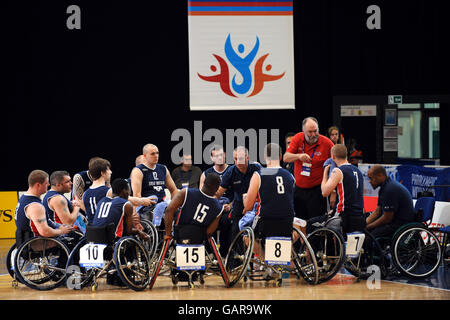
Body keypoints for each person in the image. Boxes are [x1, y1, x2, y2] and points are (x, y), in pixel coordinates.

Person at [243, 143, 295, 261]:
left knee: (247, 237)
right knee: (294, 231)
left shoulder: (259, 174)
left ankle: (264, 260)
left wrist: (247, 199)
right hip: (286, 221)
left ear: (265, 157)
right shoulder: (290, 176)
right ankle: (285, 259)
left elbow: (249, 205)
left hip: (266, 220)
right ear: (281, 157)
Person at [283, 117, 334, 220]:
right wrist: (298, 156)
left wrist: (333, 191)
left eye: (315, 131)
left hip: (317, 190)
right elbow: (285, 158)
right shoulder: (298, 138)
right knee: (298, 222)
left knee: (316, 223)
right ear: (304, 131)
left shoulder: (327, 143)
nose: (313, 135)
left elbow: (336, 166)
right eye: (310, 132)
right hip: (299, 189)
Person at [307, 144, 366, 234]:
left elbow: (324, 192)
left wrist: (325, 173)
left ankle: (316, 248)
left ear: (333, 156)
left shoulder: (338, 171)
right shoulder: (358, 170)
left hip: (344, 216)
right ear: (346, 155)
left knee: (311, 223)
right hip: (359, 216)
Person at [15, 170, 72, 246]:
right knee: (73, 241)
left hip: (27, 240)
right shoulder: (35, 206)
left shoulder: (24, 198)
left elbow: (48, 222)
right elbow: (45, 232)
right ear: (38, 185)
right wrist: (61, 231)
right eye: (46, 183)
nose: (48, 184)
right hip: (37, 243)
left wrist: (60, 226)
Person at [215, 146, 262, 240]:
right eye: (235, 159)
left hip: (255, 206)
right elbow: (219, 192)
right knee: (235, 233)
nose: (237, 162)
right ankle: (235, 254)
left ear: (247, 158)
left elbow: (265, 188)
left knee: (257, 232)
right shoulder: (230, 171)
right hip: (239, 206)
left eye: (240, 159)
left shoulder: (256, 168)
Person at [163, 173, 224, 243]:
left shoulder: (186, 192)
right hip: (200, 238)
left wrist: (168, 234)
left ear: (204, 182)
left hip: (180, 233)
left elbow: (169, 210)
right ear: (217, 188)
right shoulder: (219, 207)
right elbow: (209, 232)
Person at [199, 145, 234, 256]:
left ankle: (225, 255)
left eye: (221, 155)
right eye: (216, 156)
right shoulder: (206, 174)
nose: (219, 158)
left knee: (225, 221)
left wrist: (230, 205)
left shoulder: (233, 170)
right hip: (212, 207)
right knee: (207, 220)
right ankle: (211, 254)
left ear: (225, 156)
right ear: (212, 158)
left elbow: (239, 193)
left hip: (229, 206)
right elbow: (201, 196)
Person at [365, 165, 415, 239]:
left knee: (369, 237)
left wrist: (369, 226)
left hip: (401, 224)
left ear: (380, 175)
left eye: (371, 178)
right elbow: (377, 212)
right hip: (393, 221)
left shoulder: (390, 189)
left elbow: (387, 218)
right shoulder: (384, 187)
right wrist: (364, 224)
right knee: (366, 228)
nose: (369, 181)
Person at [82, 158, 113, 224]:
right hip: (104, 231)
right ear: (102, 173)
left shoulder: (85, 194)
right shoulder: (108, 191)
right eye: (108, 169)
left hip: (91, 231)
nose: (111, 172)